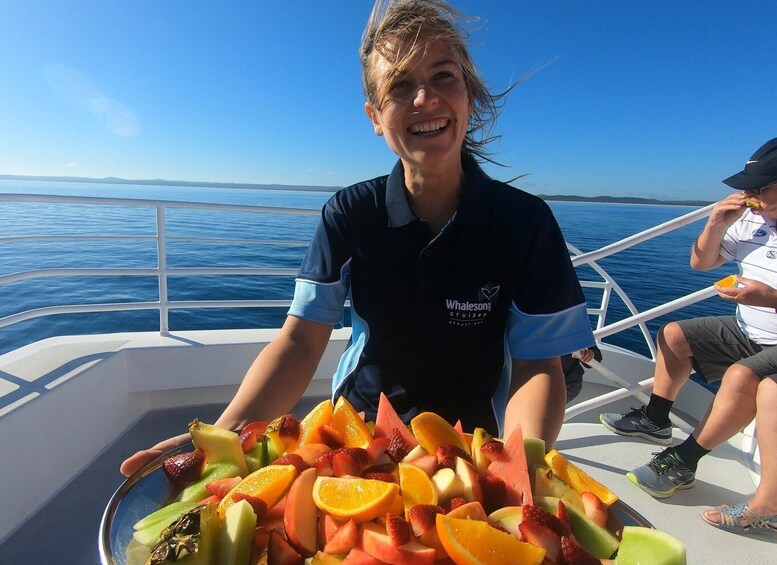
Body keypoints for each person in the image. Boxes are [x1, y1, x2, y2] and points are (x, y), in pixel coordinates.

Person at [121, 0, 594, 477]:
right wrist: (225, 435)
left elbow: (538, 367)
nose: (424, 98)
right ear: (374, 115)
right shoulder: (349, 214)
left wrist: (517, 471)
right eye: (400, 85)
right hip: (357, 439)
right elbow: (301, 341)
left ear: (469, 94)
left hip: (472, 449)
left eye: (443, 76)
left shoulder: (525, 223)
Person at [600, 137, 777, 535]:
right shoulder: (750, 219)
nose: (748, 194)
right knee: (675, 334)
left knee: (745, 378)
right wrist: (716, 223)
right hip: (749, 327)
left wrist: (771, 298)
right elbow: (700, 262)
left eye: (760, 186)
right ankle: (655, 418)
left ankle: (687, 461)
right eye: (746, 186)